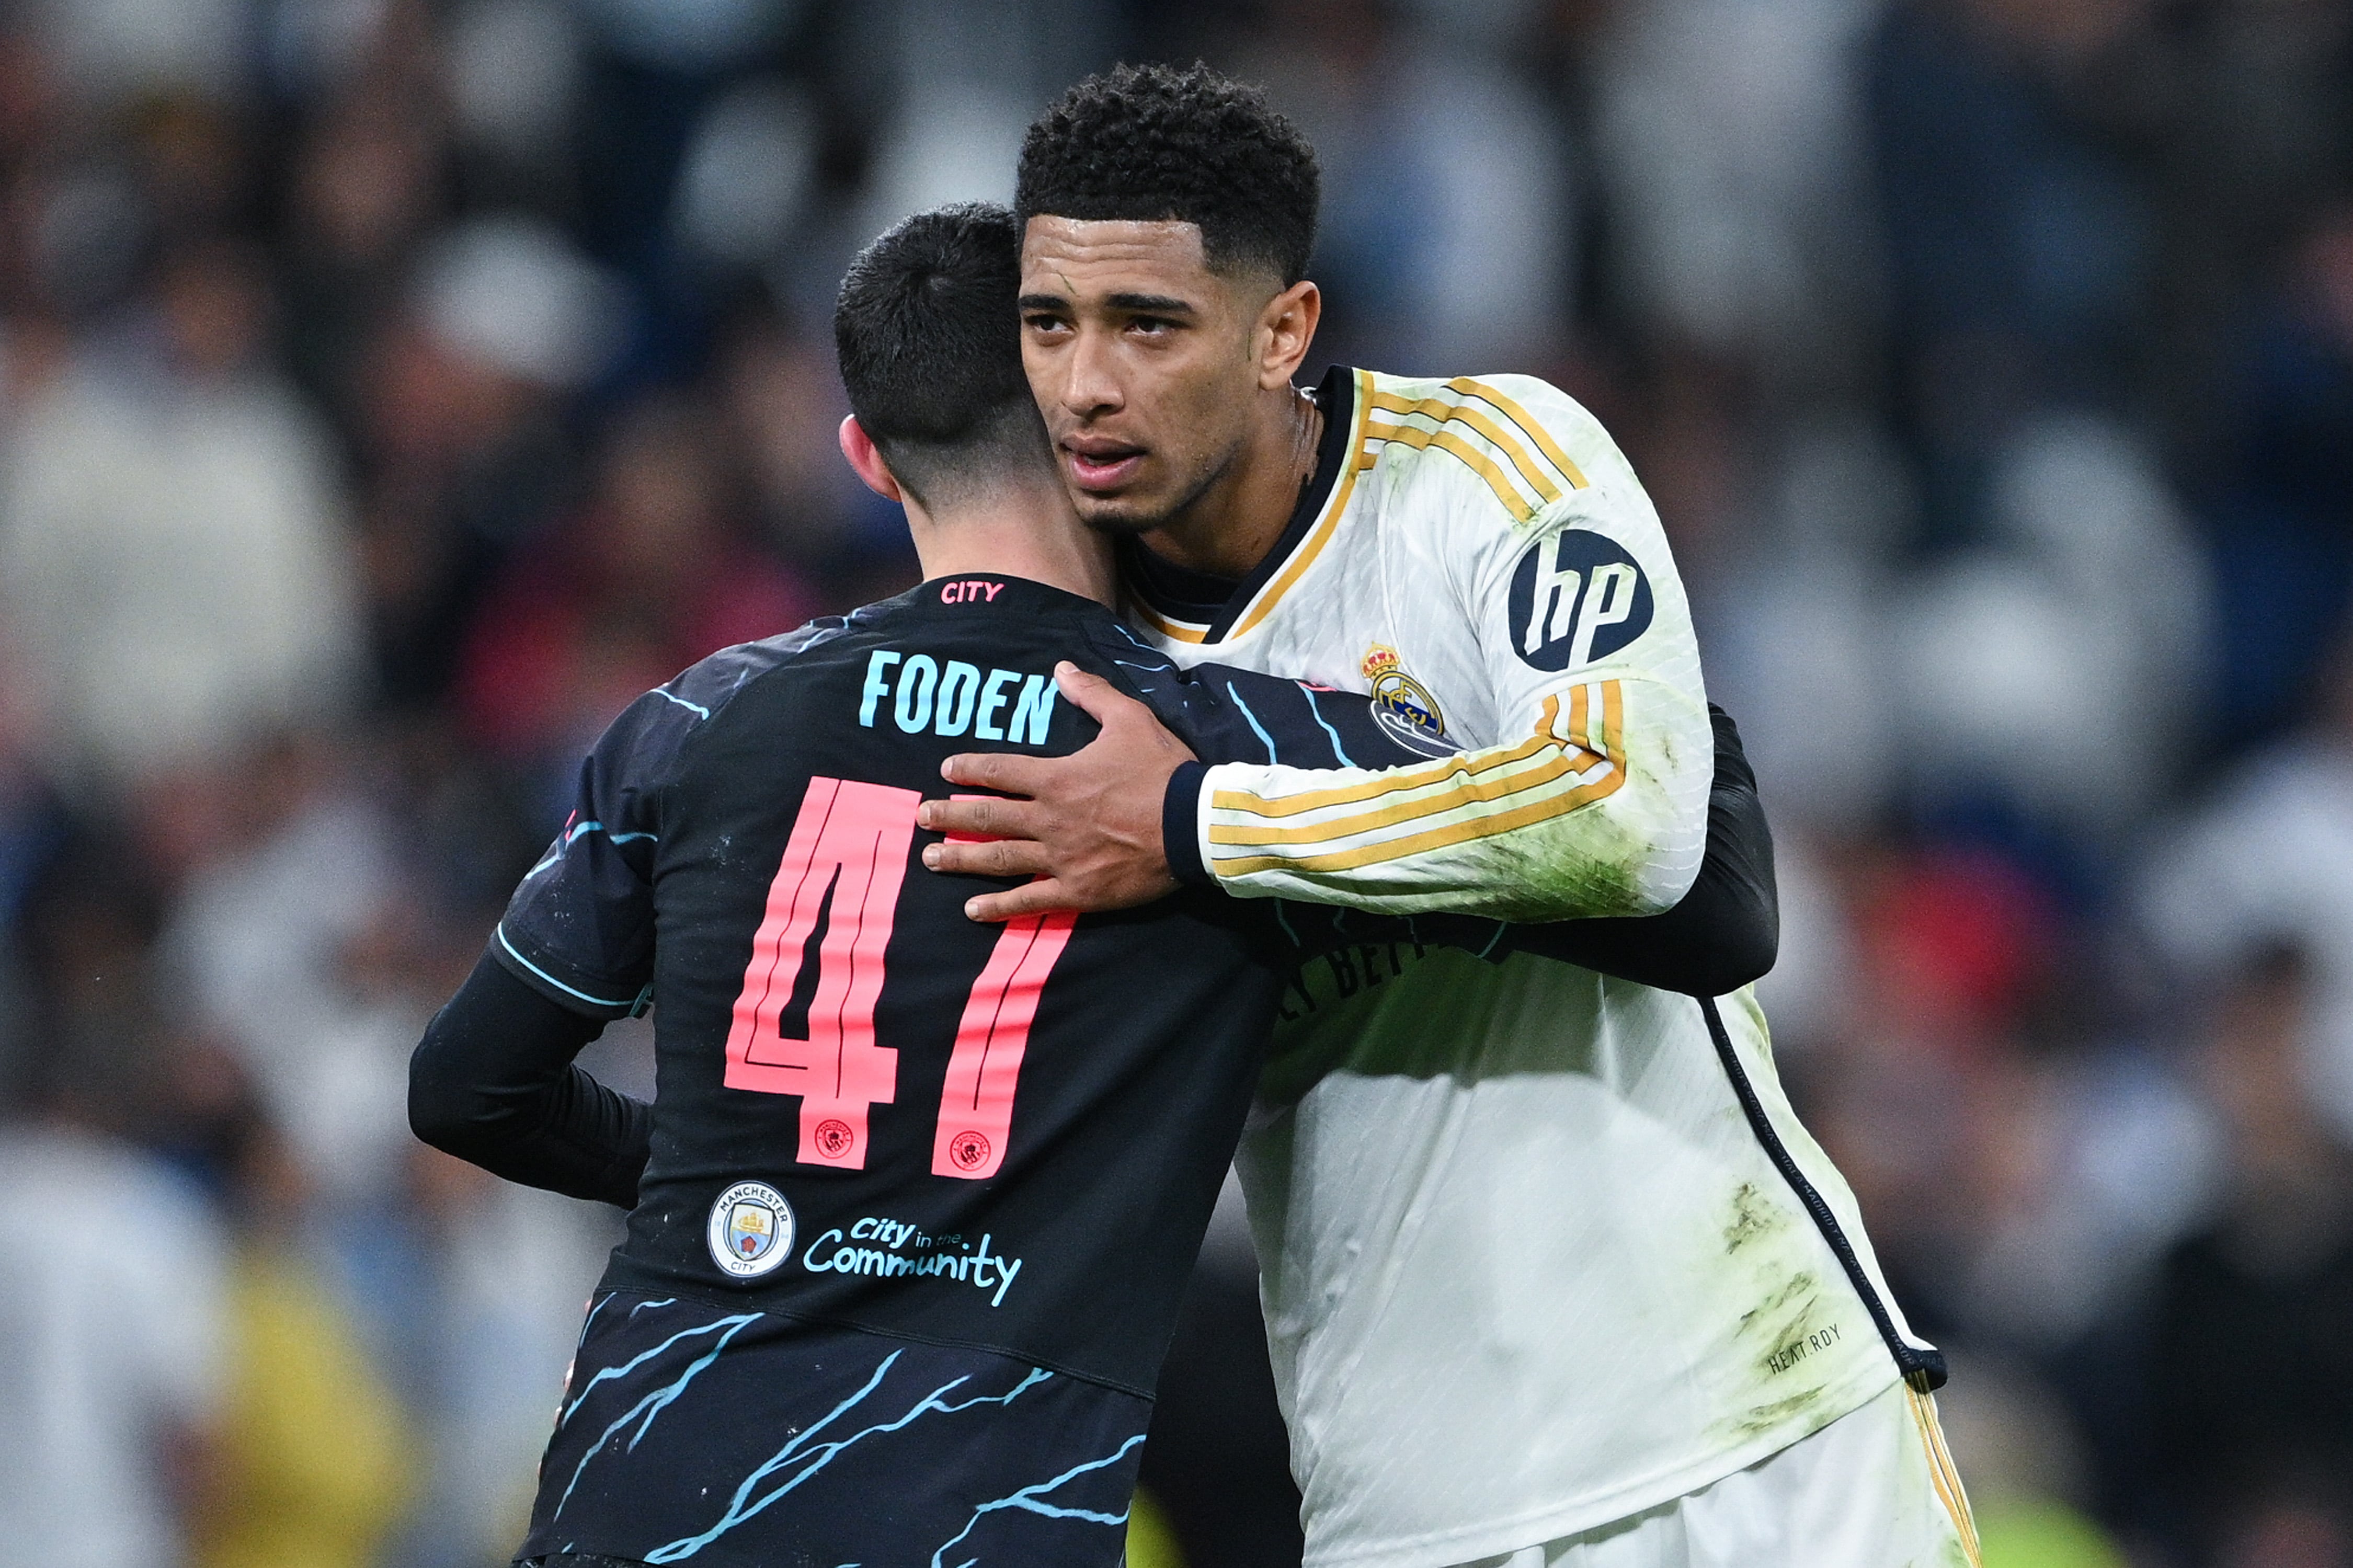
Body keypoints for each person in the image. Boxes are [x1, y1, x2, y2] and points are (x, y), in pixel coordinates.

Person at [407, 204, 1777, 1567]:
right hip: (974, 1519)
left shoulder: (699, 720)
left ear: (867, 459)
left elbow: (469, 1089)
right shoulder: (1221, 746)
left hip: (638, 1493)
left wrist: (723, 1186)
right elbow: (1705, 906)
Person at [921, 65, 1975, 1568]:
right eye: (1050, 325)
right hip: (1410, 1506)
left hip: (1751, 1425)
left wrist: (1198, 825)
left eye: (1148, 325)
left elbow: (1635, 825)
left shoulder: (1488, 471)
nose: (1087, 384)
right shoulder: (1054, 658)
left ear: (1283, 329)